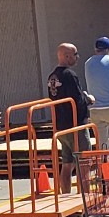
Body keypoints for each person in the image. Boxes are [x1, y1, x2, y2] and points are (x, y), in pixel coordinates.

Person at [45, 43, 91, 194]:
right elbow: (78, 101)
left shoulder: (52, 76)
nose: (77, 57)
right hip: (75, 125)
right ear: (66, 56)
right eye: (75, 54)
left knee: (67, 163)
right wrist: (89, 99)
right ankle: (85, 203)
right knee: (84, 163)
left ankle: (65, 197)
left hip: (60, 126)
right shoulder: (69, 75)